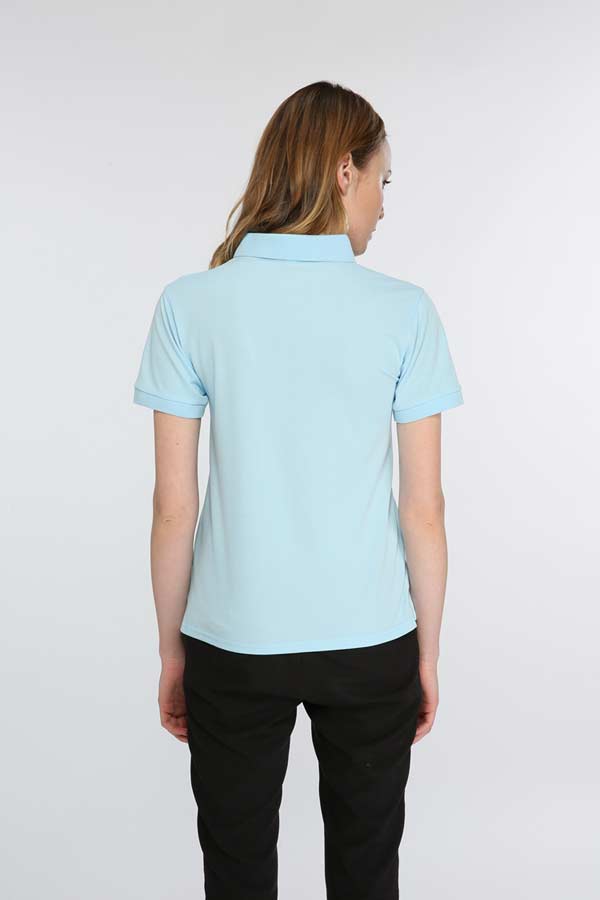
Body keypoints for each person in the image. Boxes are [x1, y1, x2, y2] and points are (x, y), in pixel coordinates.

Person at [132, 80, 464, 900]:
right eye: (383, 180)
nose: (384, 204)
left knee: (236, 874)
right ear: (346, 172)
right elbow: (423, 509)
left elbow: (173, 508)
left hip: (231, 643)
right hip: (371, 642)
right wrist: (425, 655)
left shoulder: (189, 304)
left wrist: (173, 652)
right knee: (366, 874)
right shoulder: (404, 312)